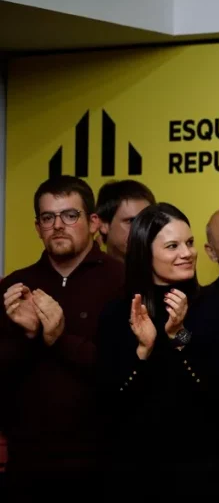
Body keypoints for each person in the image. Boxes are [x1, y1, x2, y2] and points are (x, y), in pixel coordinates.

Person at [98, 203, 219, 498]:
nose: (187, 253)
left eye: (188, 243)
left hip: (201, 468)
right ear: (145, 254)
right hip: (135, 469)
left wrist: (180, 336)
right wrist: (144, 350)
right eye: (172, 246)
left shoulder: (214, 305)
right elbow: (109, 400)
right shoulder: (118, 311)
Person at [0, 176, 124, 501]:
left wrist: (59, 338)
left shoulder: (122, 281)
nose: (58, 225)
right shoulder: (14, 287)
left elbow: (126, 374)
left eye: (70, 215)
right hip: (28, 465)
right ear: (37, 226)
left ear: (93, 222)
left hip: (104, 465)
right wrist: (25, 336)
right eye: (48, 217)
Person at [96, 179, 156, 262]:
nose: (141, 228)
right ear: (103, 224)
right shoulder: (89, 274)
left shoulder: (169, 272)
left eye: (146, 220)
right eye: (131, 221)